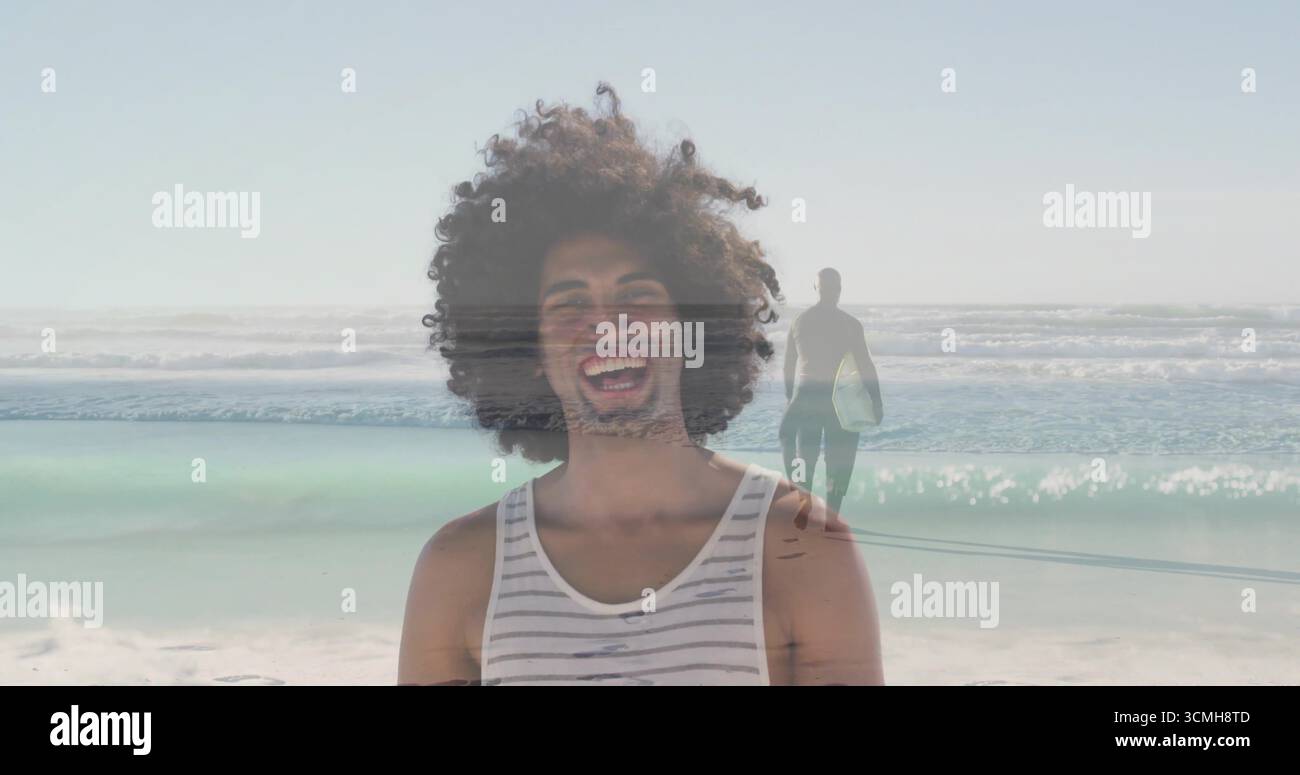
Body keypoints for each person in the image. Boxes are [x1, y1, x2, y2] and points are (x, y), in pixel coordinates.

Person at [398, 84, 882, 685]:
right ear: (530, 352)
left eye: (637, 295)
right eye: (570, 303)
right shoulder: (461, 569)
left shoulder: (802, 547)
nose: (608, 328)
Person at [780, 268, 883, 525]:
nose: (831, 293)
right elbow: (865, 365)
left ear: (817, 288)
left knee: (805, 454)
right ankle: (831, 517)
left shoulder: (800, 321)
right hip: (840, 398)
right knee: (840, 457)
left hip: (808, 395)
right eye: (831, 288)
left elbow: (788, 366)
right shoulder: (850, 324)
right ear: (837, 289)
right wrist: (875, 400)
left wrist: (791, 398)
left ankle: (803, 506)